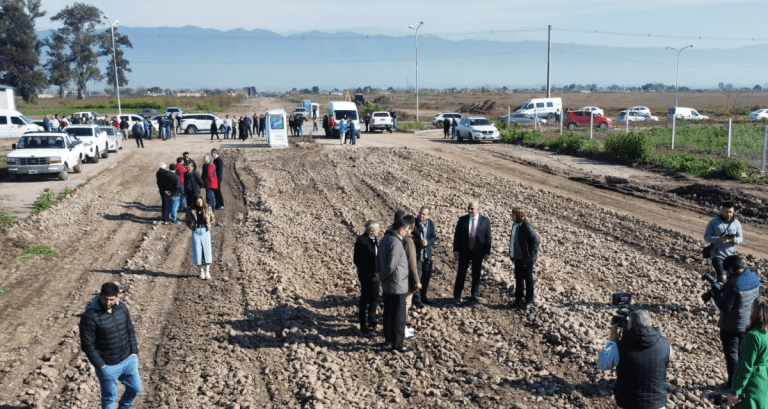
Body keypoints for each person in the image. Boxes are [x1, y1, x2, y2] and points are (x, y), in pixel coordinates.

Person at [79, 282, 141, 409]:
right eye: (105, 299)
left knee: (135, 388)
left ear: (117, 297)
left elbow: (129, 329)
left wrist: (134, 352)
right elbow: (87, 344)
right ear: (100, 295)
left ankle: (124, 407)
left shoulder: (122, 308)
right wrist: (101, 366)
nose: (108, 303)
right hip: (108, 366)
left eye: (111, 299)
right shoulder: (90, 316)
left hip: (128, 360)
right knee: (109, 399)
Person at [597, 310, 672, 409]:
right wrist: (659, 337)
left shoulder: (619, 347)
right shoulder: (666, 345)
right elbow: (668, 357)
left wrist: (612, 341)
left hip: (628, 404)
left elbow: (602, 365)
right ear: (649, 324)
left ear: (630, 326)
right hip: (657, 404)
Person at [713, 255, 761, 390]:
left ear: (731, 269)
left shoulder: (733, 284)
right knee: (745, 355)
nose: (727, 274)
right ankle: (745, 383)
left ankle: (733, 384)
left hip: (731, 327)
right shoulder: (754, 277)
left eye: (727, 271)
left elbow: (725, 307)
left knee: (732, 356)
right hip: (749, 324)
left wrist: (716, 295)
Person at [728, 296, 768, 408]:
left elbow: (746, 366)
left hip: (752, 383)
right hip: (764, 380)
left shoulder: (753, 336)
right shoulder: (766, 333)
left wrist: (735, 390)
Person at [378, 217, 410, 353]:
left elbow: (379, 260)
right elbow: (391, 265)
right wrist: (381, 276)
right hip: (398, 285)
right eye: (407, 229)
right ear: (401, 230)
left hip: (388, 285)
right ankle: (398, 343)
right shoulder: (396, 243)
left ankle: (388, 341)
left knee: (388, 313)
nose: (408, 232)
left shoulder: (384, 239)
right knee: (399, 316)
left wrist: (380, 277)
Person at [452, 200, 492, 304]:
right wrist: (456, 250)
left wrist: (487, 252)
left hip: (478, 252)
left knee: (476, 274)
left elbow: (488, 238)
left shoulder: (485, 221)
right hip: (464, 251)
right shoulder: (462, 220)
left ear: (478, 209)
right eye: (469, 208)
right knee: (461, 273)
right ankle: (457, 296)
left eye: (472, 208)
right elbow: (456, 236)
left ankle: (474, 295)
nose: (470, 210)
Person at [508, 207, 541, 310]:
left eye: (513, 215)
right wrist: (511, 254)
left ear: (517, 216)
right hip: (517, 257)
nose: (511, 216)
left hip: (526, 259)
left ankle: (529, 300)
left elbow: (536, 240)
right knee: (518, 279)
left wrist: (531, 256)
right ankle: (518, 299)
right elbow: (513, 240)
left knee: (528, 279)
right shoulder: (515, 225)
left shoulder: (526, 226)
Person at [705, 201, 743, 282]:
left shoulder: (736, 223)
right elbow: (706, 237)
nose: (729, 214)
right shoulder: (713, 222)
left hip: (731, 255)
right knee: (722, 278)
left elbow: (741, 238)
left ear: (734, 212)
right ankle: (719, 293)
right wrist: (719, 239)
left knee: (734, 279)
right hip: (717, 254)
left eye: (730, 212)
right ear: (722, 210)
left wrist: (735, 240)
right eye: (726, 212)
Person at [353, 220, 380, 336]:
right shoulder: (361, 241)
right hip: (367, 275)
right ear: (371, 231)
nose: (379, 231)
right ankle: (362, 322)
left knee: (375, 296)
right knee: (365, 298)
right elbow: (357, 259)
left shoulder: (374, 239)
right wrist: (367, 271)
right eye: (377, 229)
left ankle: (372, 318)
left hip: (375, 274)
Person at [187, 195, 215, 280]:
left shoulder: (208, 208)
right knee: (197, 251)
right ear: (195, 203)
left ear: (203, 201)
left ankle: (207, 271)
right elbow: (187, 220)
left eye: (200, 201)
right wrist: (192, 227)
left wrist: (208, 225)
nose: (199, 203)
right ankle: (201, 271)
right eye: (197, 202)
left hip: (205, 231)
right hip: (196, 231)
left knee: (207, 251)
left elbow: (212, 218)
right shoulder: (191, 210)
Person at [413, 206, 437, 305]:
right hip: (417, 254)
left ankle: (423, 296)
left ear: (428, 215)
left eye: (424, 214)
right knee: (417, 276)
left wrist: (428, 242)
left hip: (427, 254)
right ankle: (417, 299)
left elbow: (434, 237)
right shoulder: (414, 223)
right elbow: (409, 238)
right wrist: (419, 242)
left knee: (426, 276)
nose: (421, 216)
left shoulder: (430, 224)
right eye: (420, 213)